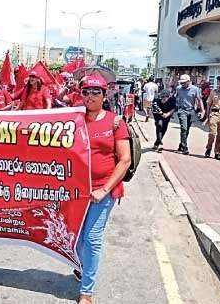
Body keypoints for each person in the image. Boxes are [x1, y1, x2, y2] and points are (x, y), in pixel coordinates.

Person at [75, 74, 131, 304]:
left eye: (95, 91)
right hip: (75, 191)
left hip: (102, 191)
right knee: (76, 239)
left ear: (104, 94)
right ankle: (82, 264)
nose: (90, 96)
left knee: (91, 238)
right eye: (86, 91)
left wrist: (105, 190)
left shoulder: (114, 122)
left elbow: (125, 160)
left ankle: (86, 292)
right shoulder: (73, 119)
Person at [175, 74, 205, 155]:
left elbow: (199, 100)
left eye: (183, 83)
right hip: (182, 110)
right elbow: (175, 97)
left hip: (191, 111)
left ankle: (181, 144)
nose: (182, 84)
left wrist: (202, 111)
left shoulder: (195, 89)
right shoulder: (178, 88)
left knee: (187, 130)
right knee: (183, 128)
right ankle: (185, 147)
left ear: (188, 81)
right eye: (181, 83)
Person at [151, 88, 176, 152]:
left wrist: (167, 114)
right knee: (159, 125)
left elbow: (173, 108)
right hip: (157, 113)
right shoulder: (157, 99)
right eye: (163, 97)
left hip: (167, 113)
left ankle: (157, 142)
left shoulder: (172, 100)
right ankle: (160, 142)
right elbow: (155, 108)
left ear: (169, 96)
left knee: (164, 127)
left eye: (166, 97)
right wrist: (161, 113)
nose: (164, 98)